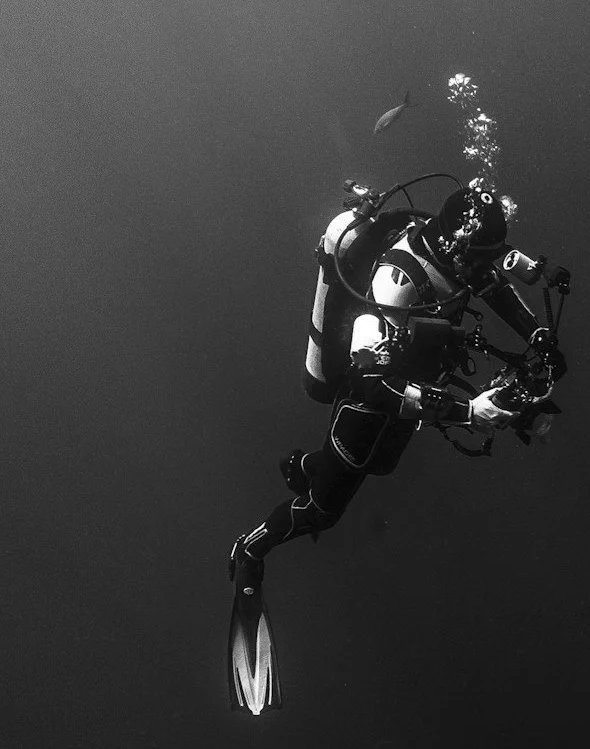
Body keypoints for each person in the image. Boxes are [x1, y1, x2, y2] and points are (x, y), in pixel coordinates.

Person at [225, 178, 567, 709]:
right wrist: (467, 412)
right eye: (482, 259)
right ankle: (250, 553)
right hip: (369, 401)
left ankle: (308, 465)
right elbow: (373, 388)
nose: (487, 269)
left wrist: (535, 334)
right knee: (324, 509)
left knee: (383, 465)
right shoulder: (395, 282)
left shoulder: (461, 261)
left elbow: (491, 283)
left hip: (414, 383)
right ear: (456, 246)